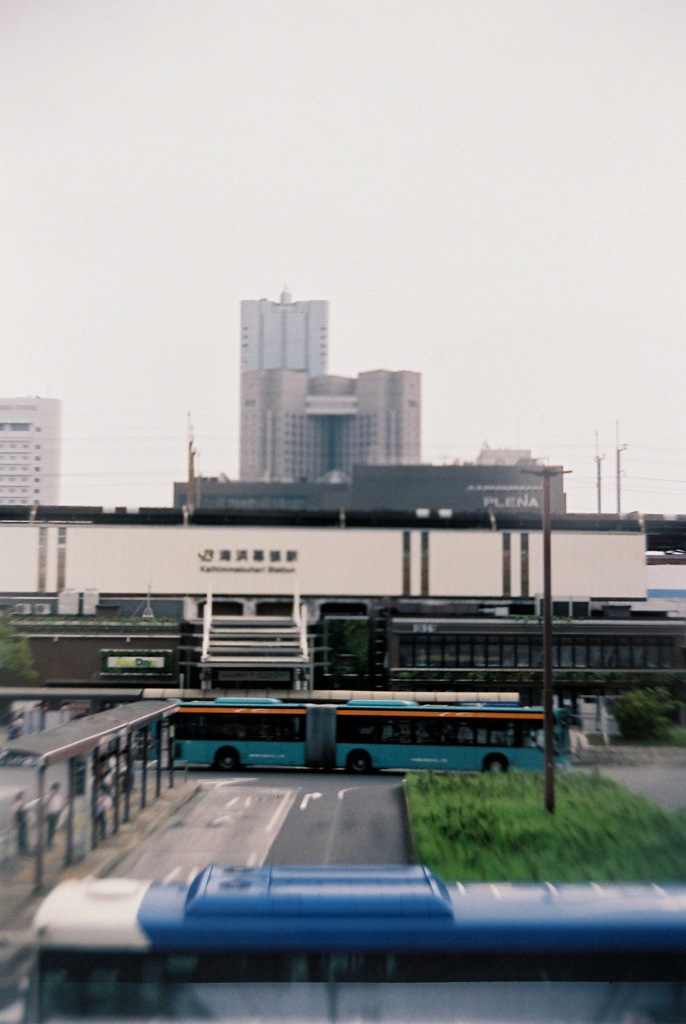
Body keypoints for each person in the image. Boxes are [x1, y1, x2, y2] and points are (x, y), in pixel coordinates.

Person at [45, 782, 64, 848]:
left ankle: (51, 842)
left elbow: (60, 805)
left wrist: (60, 811)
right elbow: (45, 805)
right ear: (52, 789)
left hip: (56, 814)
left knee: (53, 829)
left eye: (57, 789)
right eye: (55, 789)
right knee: (50, 829)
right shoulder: (48, 796)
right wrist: (51, 796)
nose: (56, 791)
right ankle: (49, 843)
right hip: (50, 814)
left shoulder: (59, 796)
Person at [11, 790, 29, 855]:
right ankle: (22, 850)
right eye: (24, 795)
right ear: (20, 796)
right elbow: (13, 813)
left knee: (24, 835)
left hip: (24, 821)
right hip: (20, 822)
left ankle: (24, 849)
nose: (25, 796)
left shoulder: (23, 803)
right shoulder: (18, 803)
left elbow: (26, 812)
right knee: (21, 836)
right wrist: (15, 823)